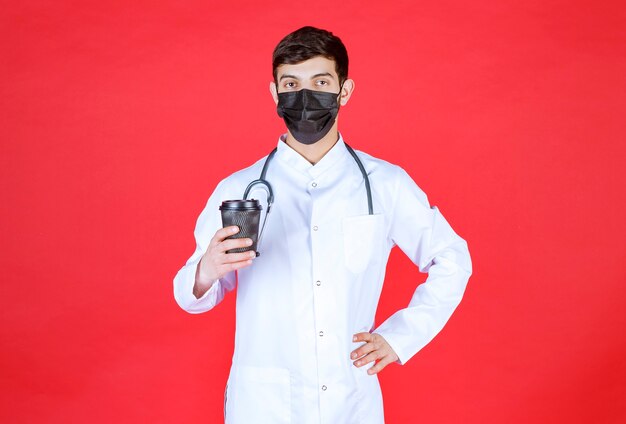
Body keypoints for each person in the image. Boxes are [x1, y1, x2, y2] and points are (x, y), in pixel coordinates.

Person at [173, 26, 472, 424]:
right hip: (264, 404)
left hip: (349, 401)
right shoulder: (239, 190)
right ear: (274, 93)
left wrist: (400, 337)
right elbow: (189, 296)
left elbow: (452, 258)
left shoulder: (385, 184)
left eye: (321, 82)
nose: (305, 96)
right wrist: (206, 269)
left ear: (344, 91)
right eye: (291, 84)